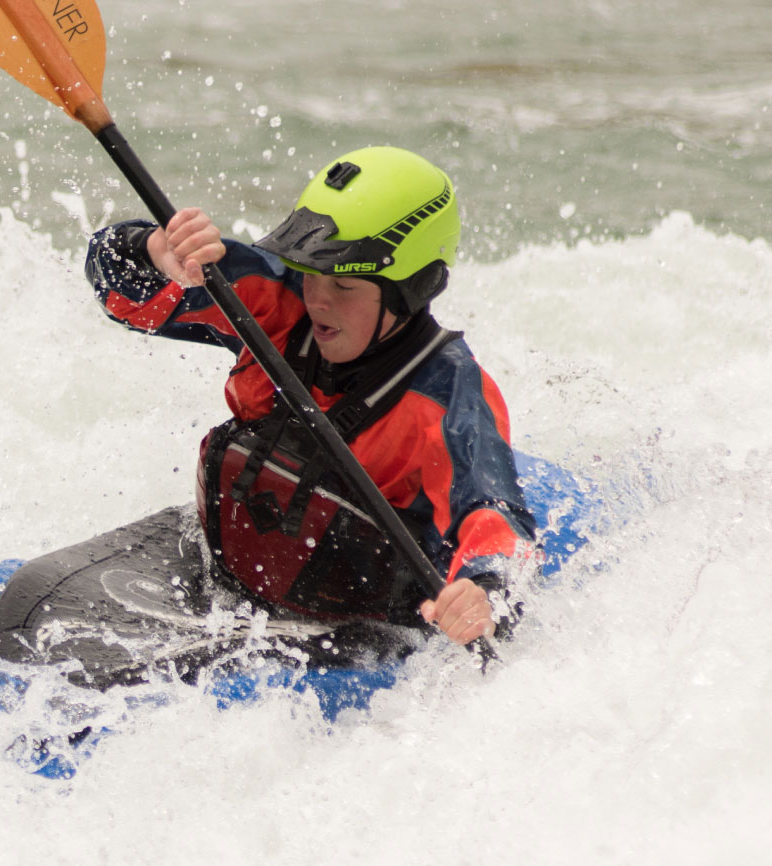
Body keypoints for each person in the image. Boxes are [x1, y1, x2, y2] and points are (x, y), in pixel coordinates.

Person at [84, 146, 536, 648]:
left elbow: (491, 519)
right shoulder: (276, 297)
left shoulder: (449, 397)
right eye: (311, 271)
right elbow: (120, 294)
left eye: (343, 283)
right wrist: (155, 251)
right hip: (235, 574)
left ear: (413, 288)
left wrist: (485, 595)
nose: (317, 297)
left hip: (361, 620)